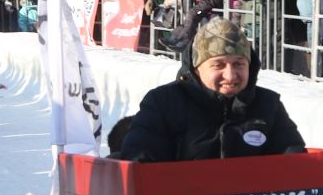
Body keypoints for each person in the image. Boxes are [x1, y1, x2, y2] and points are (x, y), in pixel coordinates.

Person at [115, 19, 305, 162]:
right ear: (197, 69)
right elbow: (140, 164)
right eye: (218, 65)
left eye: (239, 64)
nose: (230, 75)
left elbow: (296, 165)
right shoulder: (163, 104)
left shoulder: (268, 106)